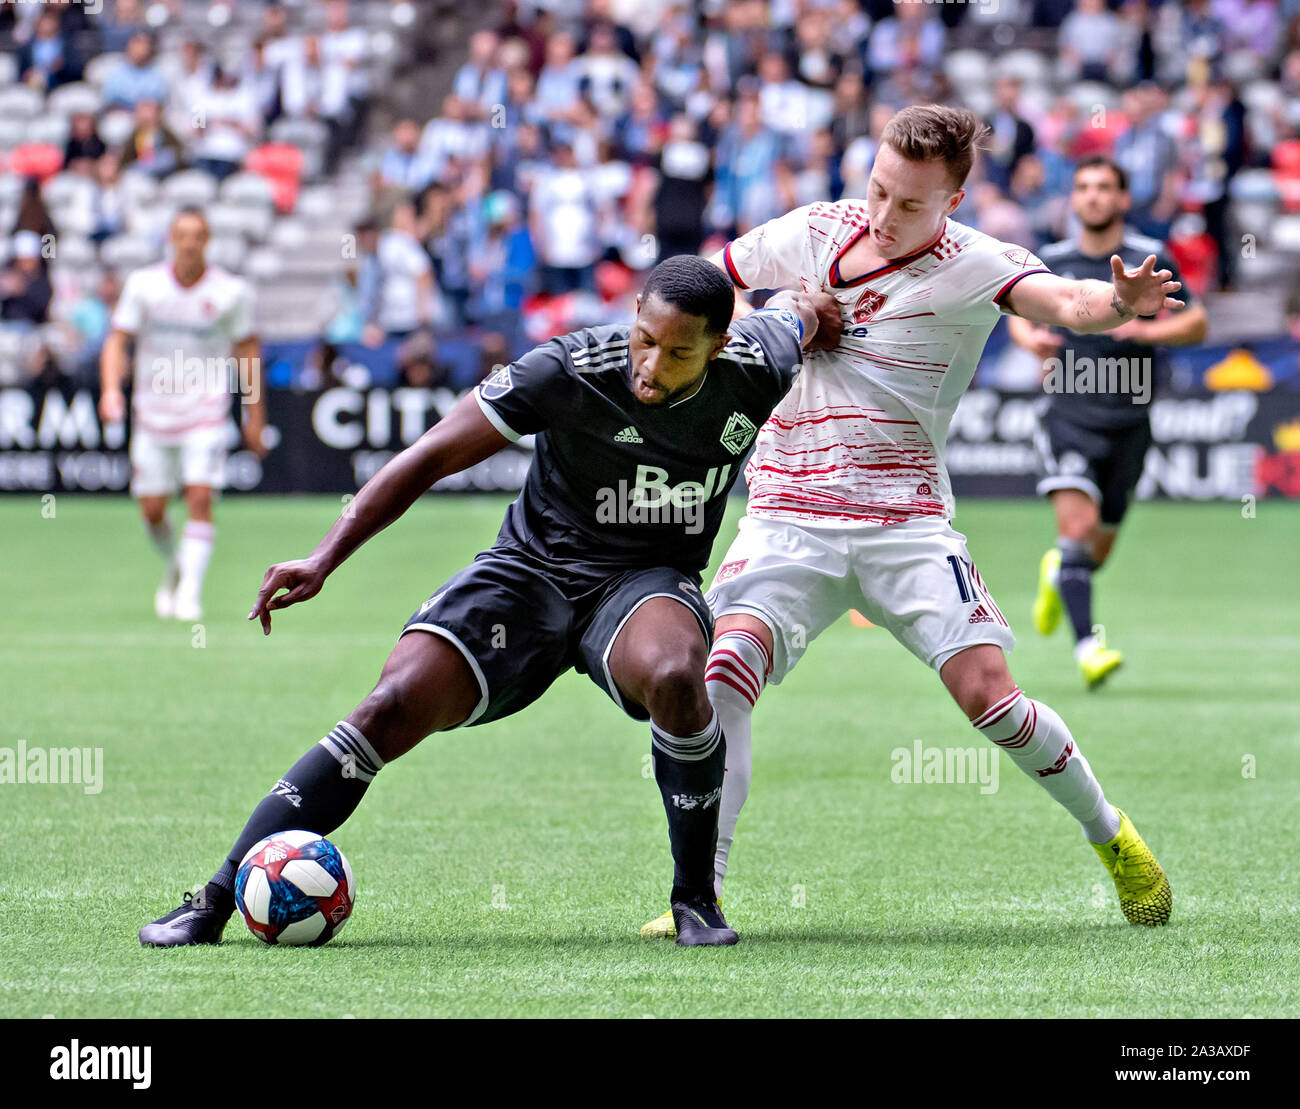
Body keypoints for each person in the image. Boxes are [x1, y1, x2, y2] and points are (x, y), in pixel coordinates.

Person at [136, 256, 841, 949]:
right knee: (390, 703)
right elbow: (431, 455)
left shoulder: (758, 363)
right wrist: (324, 555)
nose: (650, 365)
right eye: (644, 339)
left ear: (718, 347)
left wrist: (821, 309)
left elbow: (799, 313)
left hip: (643, 581)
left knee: (679, 675)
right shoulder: (567, 370)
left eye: (678, 352)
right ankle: (215, 897)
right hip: (529, 574)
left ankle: (695, 899)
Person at [640, 105, 1181, 939]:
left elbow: (1066, 301)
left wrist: (1119, 301)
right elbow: (704, 289)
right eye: (880, 190)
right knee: (719, 678)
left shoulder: (973, 265)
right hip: (787, 515)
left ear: (954, 202)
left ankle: (1111, 835)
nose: (886, 215)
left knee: (990, 699)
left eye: (912, 205)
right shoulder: (813, 230)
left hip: (906, 522)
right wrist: (764, 325)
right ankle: (697, 895)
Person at [1009, 156, 1206, 687]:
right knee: (1077, 530)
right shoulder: (1049, 259)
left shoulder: (1152, 257)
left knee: (1095, 548)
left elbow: (1197, 323)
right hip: (1068, 413)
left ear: (1123, 198)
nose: (1093, 196)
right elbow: (1019, 323)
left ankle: (1060, 572)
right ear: (1072, 200)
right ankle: (1089, 648)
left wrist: (1146, 332)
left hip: (1131, 418)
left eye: (1104, 188)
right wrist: (1033, 341)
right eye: (1083, 187)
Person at [98, 208, 267, 623]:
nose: (189, 243)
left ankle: (190, 592)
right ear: (171, 240)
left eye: (197, 235)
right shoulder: (144, 285)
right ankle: (174, 567)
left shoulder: (231, 292)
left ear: (207, 241)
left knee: (200, 497)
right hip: (152, 412)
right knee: (153, 509)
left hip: (205, 413)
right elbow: (117, 341)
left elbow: (248, 352)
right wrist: (109, 390)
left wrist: (254, 416)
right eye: (182, 235)